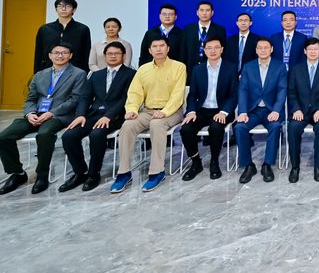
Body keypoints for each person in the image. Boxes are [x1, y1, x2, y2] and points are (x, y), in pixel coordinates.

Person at [0, 41, 86, 195]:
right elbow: (30, 99)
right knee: (2, 138)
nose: (60, 55)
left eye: (64, 52)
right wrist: (29, 113)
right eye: (56, 52)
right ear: (50, 55)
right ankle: (18, 173)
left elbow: (75, 99)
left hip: (59, 115)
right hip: (36, 114)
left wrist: (51, 113)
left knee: (44, 134)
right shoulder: (39, 75)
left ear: (70, 55)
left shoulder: (78, 74)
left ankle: (42, 175)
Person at [110, 36, 186, 193]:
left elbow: (178, 95)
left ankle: (157, 172)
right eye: (155, 46)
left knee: (157, 124)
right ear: (150, 50)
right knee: (128, 126)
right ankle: (124, 173)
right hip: (148, 110)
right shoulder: (143, 69)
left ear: (168, 48)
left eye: (162, 46)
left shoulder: (179, 67)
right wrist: (131, 110)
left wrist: (164, 112)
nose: (158, 49)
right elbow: (135, 93)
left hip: (172, 111)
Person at [59, 41, 136, 192]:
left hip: (116, 116)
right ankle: (80, 172)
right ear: (104, 56)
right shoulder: (96, 75)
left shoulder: (131, 74)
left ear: (123, 56)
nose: (113, 56)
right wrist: (80, 115)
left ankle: (93, 175)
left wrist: (109, 115)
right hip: (94, 115)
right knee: (69, 136)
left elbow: (126, 99)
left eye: (117, 53)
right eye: (109, 54)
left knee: (97, 134)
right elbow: (85, 97)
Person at [180, 38, 238, 182]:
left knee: (216, 128)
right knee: (186, 129)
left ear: (222, 49)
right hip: (202, 110)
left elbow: (233, 95)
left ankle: (214, 162)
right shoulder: (197, 69)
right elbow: (192, 95)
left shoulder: (230, 68)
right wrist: (191, 111)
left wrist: (224, 112)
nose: (213, 51)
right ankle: (196, 162)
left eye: (216, 47)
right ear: (204, 51)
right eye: (209, 48)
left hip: (221, 110)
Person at [235, 38, 286, 184]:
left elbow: (282, 90)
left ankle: (267, 165)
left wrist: (276, 110)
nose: (263, 50)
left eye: (266, 47)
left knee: (275, 126)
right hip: (253, 110)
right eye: (260, 48)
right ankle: (248, 166)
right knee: (239, 127)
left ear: (271, 49)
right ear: (256, 50)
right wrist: (242, 112)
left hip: (271, 110)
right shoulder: (248, 67)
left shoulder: (279, 66)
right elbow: (243, 90)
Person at [287, 38, 319, 182]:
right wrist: (296, 109)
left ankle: (318, 166)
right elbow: (291, 92)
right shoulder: (296, 69)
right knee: (293, 127)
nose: (313, 52)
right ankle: (295, 167)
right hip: (300, 111)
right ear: (305, 51)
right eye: (310, 49)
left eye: (315, 49)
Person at [34, 0, 91, 73]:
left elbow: (86, 53)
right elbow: (38, 53)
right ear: (56, 9)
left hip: (74, 70)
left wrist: (84, 73)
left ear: (74, 9)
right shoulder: (45, 29)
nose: (63, 9)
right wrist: (37, 73)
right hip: (48, 69)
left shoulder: (82, 29)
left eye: (68, 6)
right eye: (60, 6)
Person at [181, 0, 227, 76]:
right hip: (191, 70)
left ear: (212, 13)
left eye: (207, 10)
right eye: (201, 10)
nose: (204, 13)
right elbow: (183, 51)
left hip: (212, 70)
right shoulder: (188, 29)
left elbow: (223, 52)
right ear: (197, 12)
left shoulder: (220, 30)